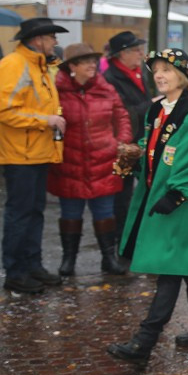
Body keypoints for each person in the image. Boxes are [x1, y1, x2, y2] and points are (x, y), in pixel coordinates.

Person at [108, 49, 188, 362]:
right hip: (164, 198)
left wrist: (176, 194)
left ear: (183, 76)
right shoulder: (157, 109)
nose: (159, 75)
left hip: (184, 202)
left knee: (169, 268)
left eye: (167, 71)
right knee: (186, 265)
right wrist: (135, 162)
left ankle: (143, 343)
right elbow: (153, 149)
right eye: (156, 70)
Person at [0, 17, 67, 294]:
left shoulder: (40, 65)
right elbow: (1, 110)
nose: (56, 41)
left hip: (35, 152)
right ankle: (16, 271)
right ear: (38, 40)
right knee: (20, 214)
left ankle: (32, 265)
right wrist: (43, 120)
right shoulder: (14, 64)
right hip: (19, 154)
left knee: (34, 212)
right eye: (52, 37)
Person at [47, 43, 132, 278]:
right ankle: (68, 260)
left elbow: (121, 115)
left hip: (103, 160)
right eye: (87, 62)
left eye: (94, 61)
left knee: (105, 212)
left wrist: (121, 142)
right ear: (72, 66)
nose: (93, 66)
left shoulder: (106, 88)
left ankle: (109, 258)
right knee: (70, 213)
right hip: (70, 161)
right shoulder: (57, 91)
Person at [103, 31, 152, 241]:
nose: (141, 53)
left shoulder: (139, 73)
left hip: (141, 139)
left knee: (141, 189)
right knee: (121, 194)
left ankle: (136, 233)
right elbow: (122, 112)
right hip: (123, 144)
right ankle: (121, 238)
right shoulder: (111, 78)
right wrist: (152, 104)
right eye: (135, 50)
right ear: (122, 54)